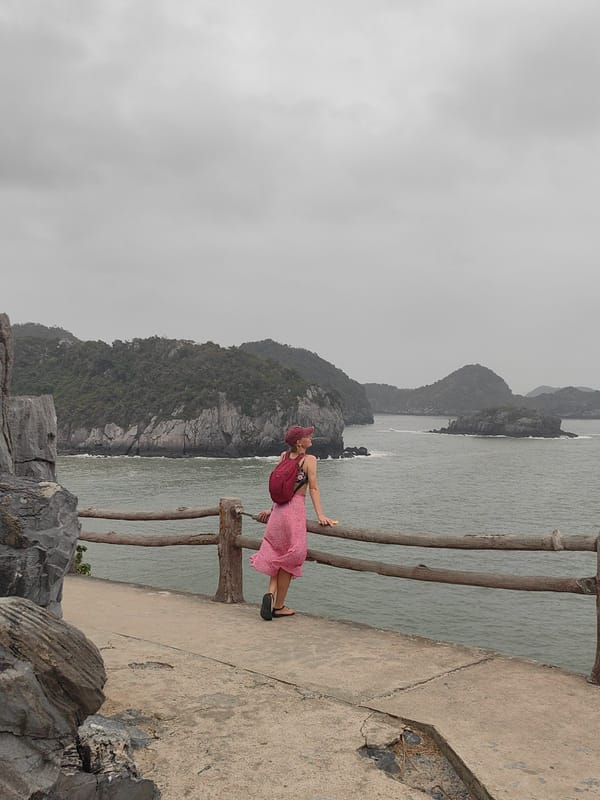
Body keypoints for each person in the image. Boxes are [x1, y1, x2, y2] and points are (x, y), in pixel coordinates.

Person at [250, 424, 335, 620]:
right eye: (307, 435)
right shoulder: (309, 460)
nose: (310, 436)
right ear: (299, 442)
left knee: (277, 555)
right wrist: (321, 515)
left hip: (278, 513)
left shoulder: (283, 456)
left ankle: (270, 594)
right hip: (294, 512)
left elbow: (282, 487)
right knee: (290, 558)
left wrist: (271, 509)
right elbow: (313, 488)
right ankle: (279, 606)